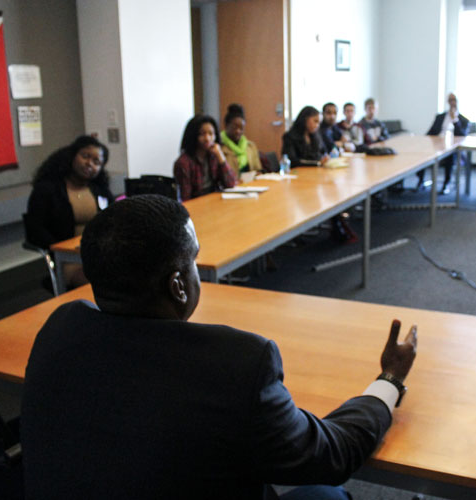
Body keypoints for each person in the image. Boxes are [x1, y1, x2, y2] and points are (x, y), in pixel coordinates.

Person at [21, 194, 418, 500]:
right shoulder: (237, 365)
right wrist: (388, 380)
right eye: (193, 260)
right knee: (327, 493)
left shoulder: (60, 328)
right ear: (178, 286)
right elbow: (331, 454)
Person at [25, 135, 114, 289]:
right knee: (104, 284)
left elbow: (113, 219)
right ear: (73, 156)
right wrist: (61, 247)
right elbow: (35, 229)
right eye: (85, 156)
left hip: (100, 255)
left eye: (96, 162)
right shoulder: (48, 189)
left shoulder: (100, 190)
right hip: (67, 259)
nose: (89, 164)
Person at [174, 114, 237, 201]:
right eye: (202, 134)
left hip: (215, 202)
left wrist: (220, 156)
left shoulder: (214, 156)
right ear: (193, 135)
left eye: (211, 134)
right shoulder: (183, 163)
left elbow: (231, 184)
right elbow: (186, 199)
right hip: (197, 206)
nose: (207, 138)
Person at [418, 92, 471, 192]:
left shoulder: (464, 120)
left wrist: (455, 120)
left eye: (454, 100)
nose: (452, 103)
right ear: (447, 102)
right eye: (450, 100)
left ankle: (446, 183)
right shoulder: (440, 117)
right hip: (437, 145)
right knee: (422, 153)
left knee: (449, 157)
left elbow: (462, 135)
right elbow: (430, 132)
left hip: (453, 148)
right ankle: (420, 180)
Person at [221, 103, 264, 178]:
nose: (238, 131)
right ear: (226, 125)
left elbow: (258, 169)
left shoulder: (250, 146)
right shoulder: (220, 148)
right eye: (235, 127)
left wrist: (257, 174)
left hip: (251, 185)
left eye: (241, 128)